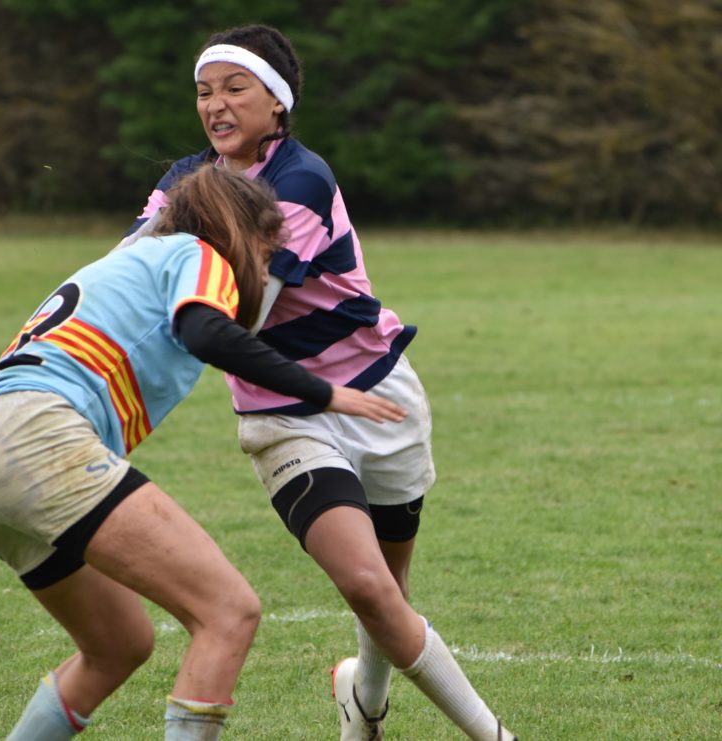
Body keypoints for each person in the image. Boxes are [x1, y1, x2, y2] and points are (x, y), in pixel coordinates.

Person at [123, 24, 518, 741]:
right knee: (366, 583)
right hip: (284, 412)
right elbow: (128, 264)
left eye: (235, 88)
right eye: (204, 91)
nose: (216, 104)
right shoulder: (182, 179)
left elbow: (247, 308)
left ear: (277, 103)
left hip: (381, 392)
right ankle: (496, 734)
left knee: (389, 591)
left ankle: (362, 702)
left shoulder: (302, 179)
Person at [0, 164, 408, 741]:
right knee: (228, 612)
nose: (264, 274)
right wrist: (323, 391)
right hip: (40, 437)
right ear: (241, 234)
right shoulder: (198, 253)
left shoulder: (130, 259)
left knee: (119, 646)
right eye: (267, 256)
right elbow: (205, 331)